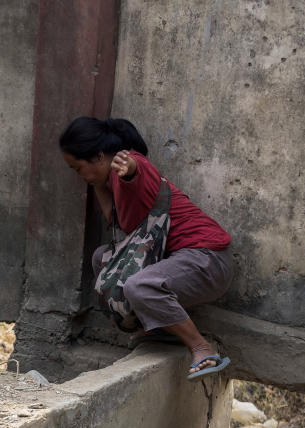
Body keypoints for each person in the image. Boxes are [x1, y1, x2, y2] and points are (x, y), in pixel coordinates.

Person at [60, 116, 233, 378]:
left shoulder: (132, 165)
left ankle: (201, 348)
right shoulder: (109, 182)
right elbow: (118, 228)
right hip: (186, 260)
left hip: (208, 260)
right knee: (101, 259)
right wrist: (97, 183)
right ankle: (160, 331)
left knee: (139, 286)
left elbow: (137, 172)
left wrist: (128, 165)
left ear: (98, 156)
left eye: (78, 168)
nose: (78, 176)